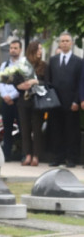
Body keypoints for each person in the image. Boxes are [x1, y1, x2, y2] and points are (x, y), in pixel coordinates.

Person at [46, 32, 82, 168]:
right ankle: (58, 157)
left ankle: (71, 158)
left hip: (71, 102)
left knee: (71, 132)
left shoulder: (79, 62)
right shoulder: (53, 60)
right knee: (56, 130)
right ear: (59, 43)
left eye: (67, 41)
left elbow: (80, 83)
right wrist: (50, 99)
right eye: (62, 41)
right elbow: (49, 81)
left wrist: (76, 101)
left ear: (71, 43)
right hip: (56, 102)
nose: (65, 43)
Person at [15, 41, 46, 167]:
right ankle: (27, 154)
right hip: (24, 100)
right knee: (25, 129)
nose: (40, 52)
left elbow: (48, 83)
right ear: (32, 50)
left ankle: (36, 155)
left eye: (41, 49)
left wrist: (35, 82)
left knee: (37, 129)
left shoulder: (43, 65)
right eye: (38, 49)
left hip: (38, 101)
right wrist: (20, 86)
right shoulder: (22, 65)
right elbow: (15, 81)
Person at [0, 39, 23, 162]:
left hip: (18, 100)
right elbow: (0, 82)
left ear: (20, 50)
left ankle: (23, 154)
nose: (13, 50)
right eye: (11, 48)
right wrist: (5, 96)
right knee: (7, 128)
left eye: (15, 48)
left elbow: (23, 84)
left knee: (22, 128)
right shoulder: (5, 65)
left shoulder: (24, 65)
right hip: (6, 100)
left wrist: (12, 96)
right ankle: (6, 154)